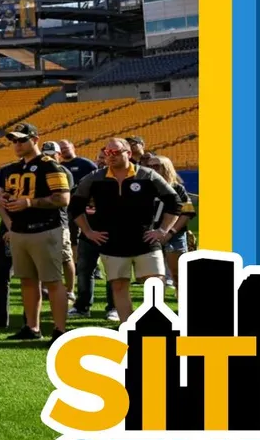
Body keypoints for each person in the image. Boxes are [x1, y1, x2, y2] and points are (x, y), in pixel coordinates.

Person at [71, 138, 182, 322]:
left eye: (116, 152)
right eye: (108, 153)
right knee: (119, 287)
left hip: (145, 241)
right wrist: (89, 232)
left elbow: (174, 202)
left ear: (128, 154)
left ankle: (152, 323)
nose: (111, 156)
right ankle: (128, 327)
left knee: (155, 284)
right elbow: (75, 207)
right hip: (112, 243)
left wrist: (163, 230)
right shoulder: (94, 178)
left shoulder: (147, 175)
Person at [0, 123, 72, 342]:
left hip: (44, 229)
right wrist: (7, 203)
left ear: (35, 140)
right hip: (19, 231)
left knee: (53, 281)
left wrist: (30, 202)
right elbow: (5, 198)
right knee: (27, 281)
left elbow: (63, 199)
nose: (17, 145)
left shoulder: (50, 166)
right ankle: (32, 327)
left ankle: (60, 330)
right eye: (14, 141)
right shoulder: (11, 169)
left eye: (21, 140)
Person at [55, 139, 102, 318]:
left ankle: (88, 268)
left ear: (73, 148)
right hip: (70, 212)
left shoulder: (85, 164)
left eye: (67, 147)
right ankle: (82, 301)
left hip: (85, 211)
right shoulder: (59, 167)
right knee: (74, 242)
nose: (65, 151)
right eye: (62, 149)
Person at [144, 155, 195, 293]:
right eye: (149, 166)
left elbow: (187, 213)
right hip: (150, 235)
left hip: (174, 235)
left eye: (157, 166)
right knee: (153, 277)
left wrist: (169, 231)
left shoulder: (177, 188)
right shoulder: (143, 187)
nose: (152, 169)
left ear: (166, 168)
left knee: (178, 274)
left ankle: (184, 307)